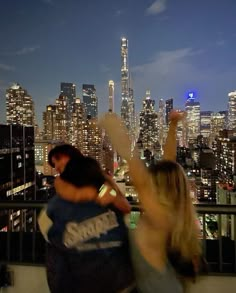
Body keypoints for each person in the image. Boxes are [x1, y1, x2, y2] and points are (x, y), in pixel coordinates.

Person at [97, 111, 204, 292]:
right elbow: (169, 162)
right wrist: (173, 125)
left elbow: (142, 183)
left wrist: (119, 136)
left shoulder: (160, 219)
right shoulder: (174, 217)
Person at [38, 144, 136, 293]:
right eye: (53, 163)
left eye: (58, 159)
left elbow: (124, 205)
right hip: (119, 282)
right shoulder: (61, 195)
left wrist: (109, 193)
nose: (56, 166)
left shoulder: (100, 183)